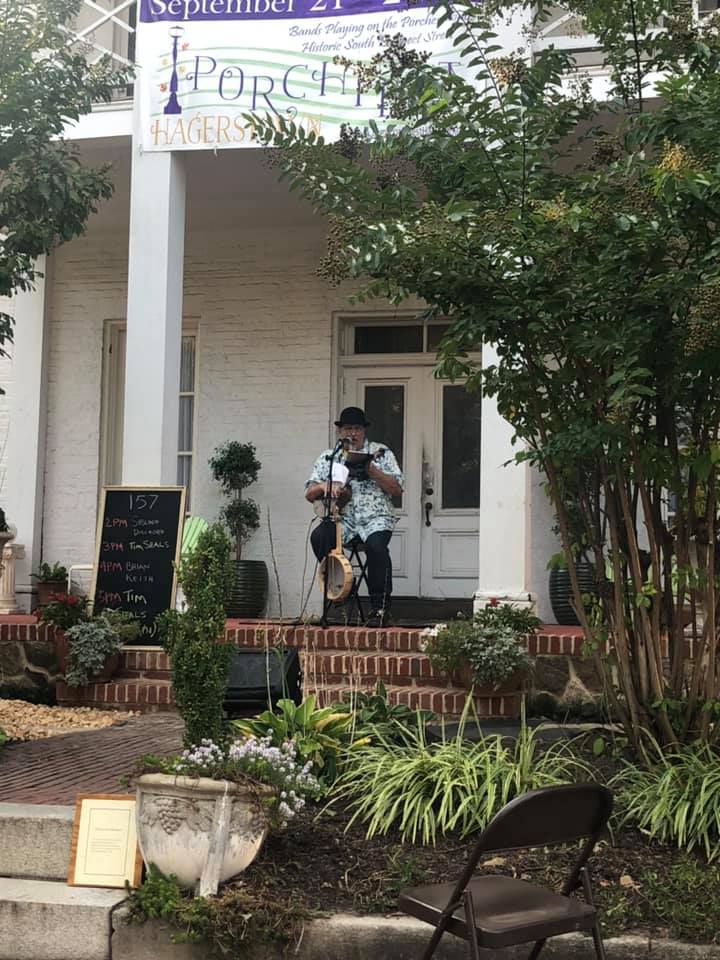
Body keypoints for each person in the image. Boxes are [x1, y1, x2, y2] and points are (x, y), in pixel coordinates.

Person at [305, 406, 404, 627]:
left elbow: (397, 489)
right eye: (348, 428)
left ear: (364, 431)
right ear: (340, 432)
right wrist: (325, 485)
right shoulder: (329, 457)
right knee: (319, 536)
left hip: (376, 518)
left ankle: (380, 609)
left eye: (357, 428)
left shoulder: (381, 452)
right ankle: (341, 593)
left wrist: (371, 470)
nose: (353, 433)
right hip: (344, 519)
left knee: (377, 547)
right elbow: (309, 494)